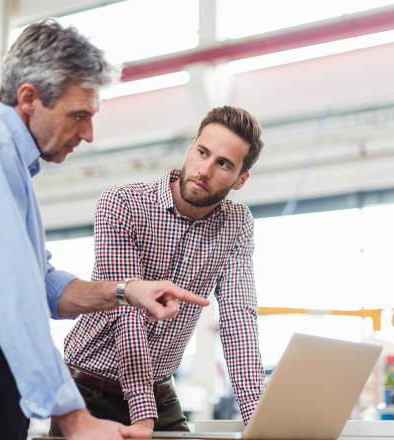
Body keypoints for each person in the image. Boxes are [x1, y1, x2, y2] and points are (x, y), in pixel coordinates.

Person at [0, 20, 208, 440]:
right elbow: (13, 294)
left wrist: (126, 291)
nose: (89, 134)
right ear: (29, 98)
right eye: (79, 116)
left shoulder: (5, 159)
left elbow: (40, 285)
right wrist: (74, 418)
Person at [53, 106, 266, 437]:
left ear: (241, 179)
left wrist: (262, 423)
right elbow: (128, 314)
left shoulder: (236, 224)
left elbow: (239, 319)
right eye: (202, 152)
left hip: (159, 390)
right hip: (88, 390)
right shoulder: (123, 204)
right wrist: (143, 418)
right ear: (191, 147)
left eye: (223, 164)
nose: (204, 169)